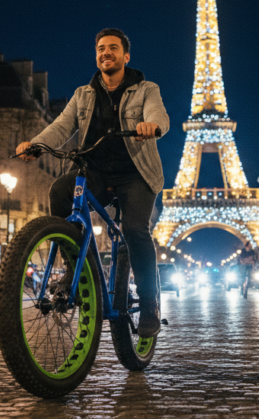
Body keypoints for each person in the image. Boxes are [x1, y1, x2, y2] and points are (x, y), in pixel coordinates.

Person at [15, 28, 169, 338]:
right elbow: (61, 126)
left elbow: (158, 112)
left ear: (126, 56)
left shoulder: (145, 89)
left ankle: (150, 302)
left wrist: (152, 125)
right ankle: (75, 268)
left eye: (113, 48)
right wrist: (37, 144)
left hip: (135, 171)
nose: (106, 52)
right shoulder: (82, 94)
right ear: (96, 55)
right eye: (101, 48)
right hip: (95, 169)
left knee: (135, 230)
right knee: (59, 190)